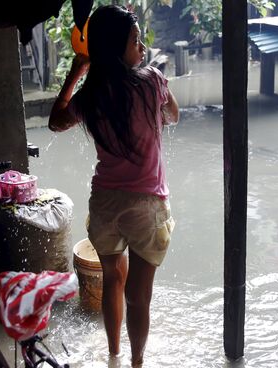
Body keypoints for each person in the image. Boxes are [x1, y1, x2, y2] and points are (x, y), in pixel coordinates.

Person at [47, 5, 179, 367]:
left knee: (112, 282)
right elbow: (173, 115)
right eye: (135, 40)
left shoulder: (90, 97)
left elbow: (56, 122)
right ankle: (136, 362)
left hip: (105, 204)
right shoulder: (152, 81)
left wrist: (76, 71)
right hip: (147, 205)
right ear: (118, 47)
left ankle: (113, 355)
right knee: (139, 296)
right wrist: (154, 115)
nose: (141, 47)